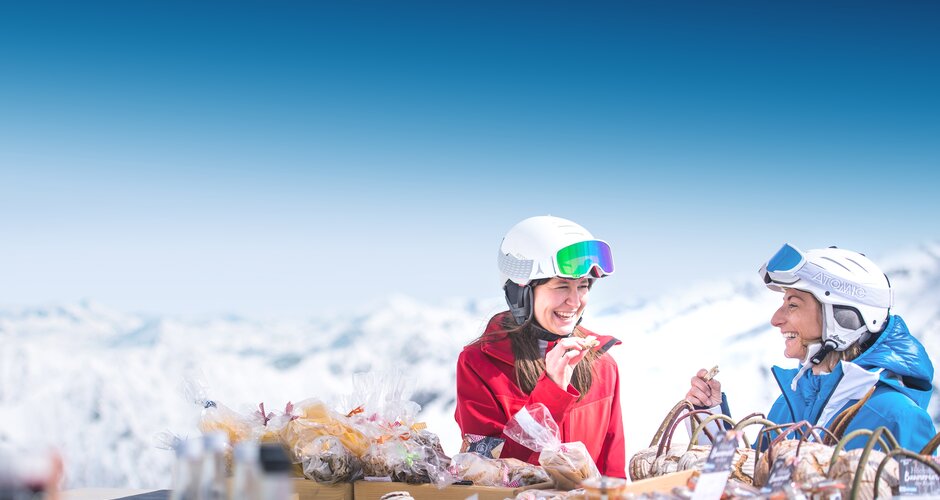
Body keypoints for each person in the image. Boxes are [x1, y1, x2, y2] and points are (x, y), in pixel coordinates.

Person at [686, 243, 936, 451]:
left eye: (792, 305)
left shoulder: (899, 419)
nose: (776, 319)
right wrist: (710, 417)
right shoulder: (787, 407)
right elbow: (749, 482)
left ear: (842, 317)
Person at [454, 215, 626, 478]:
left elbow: (611, 473)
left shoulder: (602, 365)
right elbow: (491, 474)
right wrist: (552, 392)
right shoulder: (480, 365)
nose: (575, 301)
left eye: (583, 286)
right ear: (521, 292)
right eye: (561, 286)